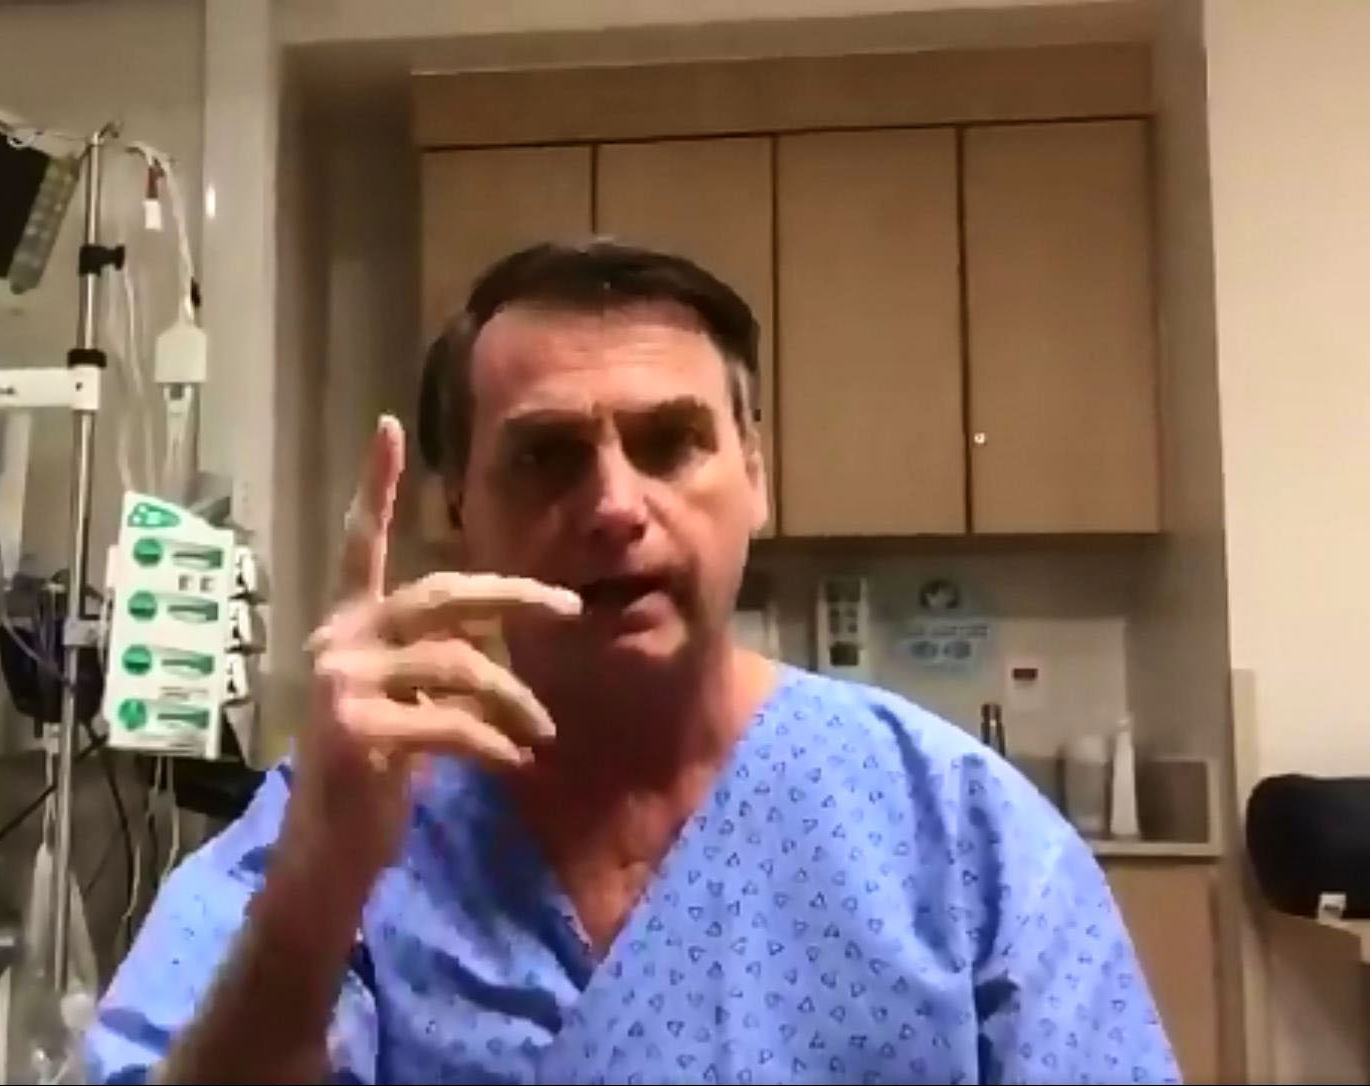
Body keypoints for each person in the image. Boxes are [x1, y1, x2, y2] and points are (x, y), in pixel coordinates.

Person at [87, 241, 1179, 1084]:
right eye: (547, 455)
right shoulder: (338, 822)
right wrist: (315, 898)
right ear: (458, 508)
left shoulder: (962, 840)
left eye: (670, 444)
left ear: (755, 476)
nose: (615, 505)